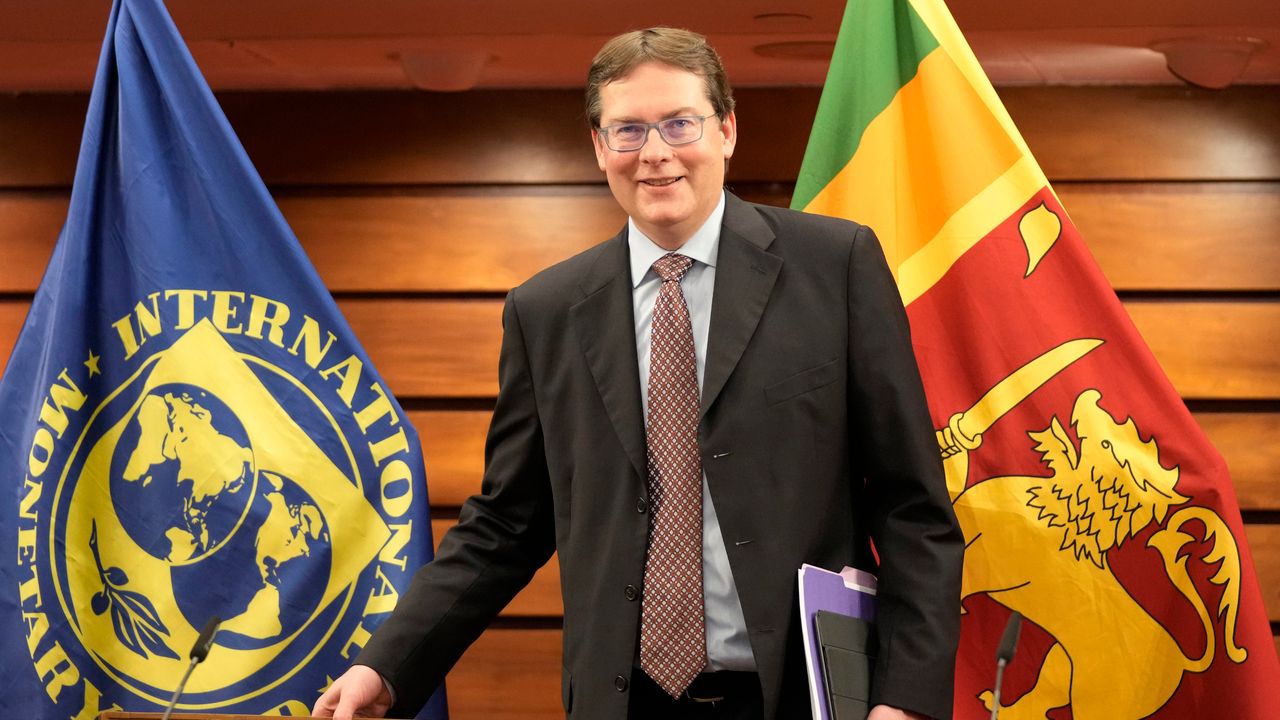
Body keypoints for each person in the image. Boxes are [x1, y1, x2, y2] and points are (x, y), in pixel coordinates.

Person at [313, 27, 962, 720]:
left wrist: (903, 700)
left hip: (800, 696)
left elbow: (912, 506)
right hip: (623, 701)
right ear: (600, 147)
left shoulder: (835, 267)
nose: (655, 153)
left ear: (727, 130)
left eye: (680, 123)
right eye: (628, 130)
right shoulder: (546, 310)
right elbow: (506, 523)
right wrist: (386, 667)